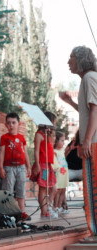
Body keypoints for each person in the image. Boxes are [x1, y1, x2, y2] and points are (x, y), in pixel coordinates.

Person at [61, 45, 97, 236]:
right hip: (93, 142)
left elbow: (95, 111)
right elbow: (87, 112)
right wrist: (70, 103)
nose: (68, 61)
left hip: (94, 143)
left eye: (71, 57)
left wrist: (87, 140)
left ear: (81, 60)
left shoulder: (90, 77)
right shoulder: (88, 79)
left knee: (93, 189)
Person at [0, 112, 31, 220]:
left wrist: (29, 166)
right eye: (9, 123)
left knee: (21, 189)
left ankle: (22, 212)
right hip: (8, 167)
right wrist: (0, 167)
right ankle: (8, 213)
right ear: (5, 125)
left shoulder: (21, 138)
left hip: (21, 167)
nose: (11, 125)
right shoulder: (4, 137)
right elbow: (2, 152)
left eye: (13, 122)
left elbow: (25, 152)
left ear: (19, 124)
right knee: (8, 190)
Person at [31, 111, 57, 218]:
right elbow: (36, 151)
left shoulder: (48, 135)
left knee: (53, 188)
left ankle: (48, 206)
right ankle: (44, 211)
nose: (54, 125)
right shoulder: (39, 135)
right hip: (42, 165)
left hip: (48, 165)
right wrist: (37, 165)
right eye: (53, 122)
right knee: (43, 188)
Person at [53, 131, 69, 214]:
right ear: (56, 141)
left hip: (64, 174)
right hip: (58, 174)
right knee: (58, 191)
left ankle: (60, 206)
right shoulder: (54, 151)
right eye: (62, 140)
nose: (63, 142)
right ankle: (55, 207)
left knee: (63, 190)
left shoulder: (62, 150)